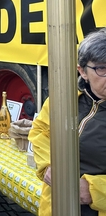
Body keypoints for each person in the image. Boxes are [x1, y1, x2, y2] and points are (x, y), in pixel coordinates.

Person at [29, 29, 106, 216]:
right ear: (83, 71)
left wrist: (95, 191)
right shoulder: (65, 98)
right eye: (102, 68)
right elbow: (41, 131)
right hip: (56, 205)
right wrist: (49, 165)